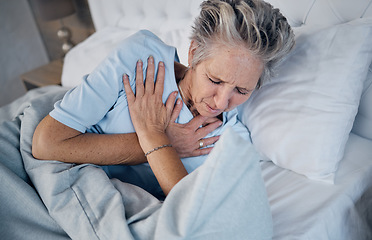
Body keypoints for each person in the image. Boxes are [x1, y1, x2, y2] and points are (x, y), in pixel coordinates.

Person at [32, 0, 294, 199]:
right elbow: (46, 143)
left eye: (242, 91)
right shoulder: (142, 59)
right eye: (215, 80)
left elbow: (193, 218)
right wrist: (166, 143)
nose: (222, 102)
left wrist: (157, 139)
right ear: (193, 53)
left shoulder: (231, 142)